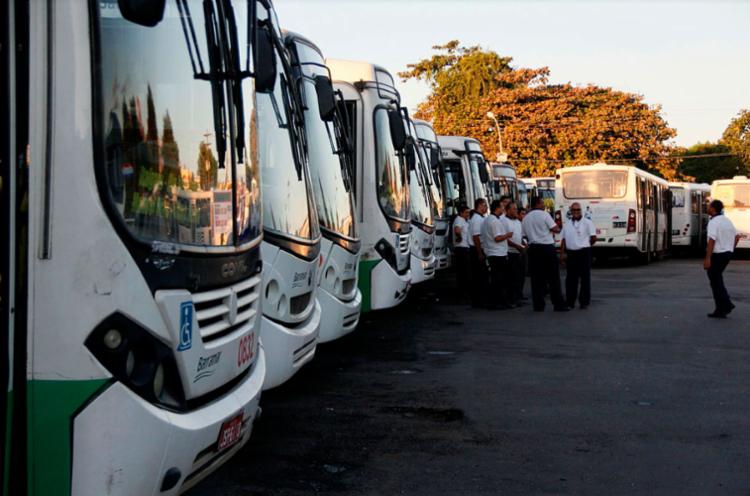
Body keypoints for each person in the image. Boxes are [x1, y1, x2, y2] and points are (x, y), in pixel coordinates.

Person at [522, 196, 568, 312]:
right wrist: (557, 228)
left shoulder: (526, 218)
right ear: (538, 204)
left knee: (536, 278)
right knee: (553, 277)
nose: (544, 205)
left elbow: (523, 235)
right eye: (542, 203)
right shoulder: (545, 215)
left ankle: (538, 305)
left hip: (533, 248)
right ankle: (558, 303)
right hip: (547, 247)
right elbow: (555, 229)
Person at [704, 199, 743, 318]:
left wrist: (708, 258)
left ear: (713, 208)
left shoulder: (713, 222)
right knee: (717, 280)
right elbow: (737, 237)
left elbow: (711, 240)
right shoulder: (727, 221)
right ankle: (722, 307)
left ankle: (725, 305)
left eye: (709, 206)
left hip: (717, 254)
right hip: (726, 254)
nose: (707, 208)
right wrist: (730, 249)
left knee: (715, 281)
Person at [560, 202, 597, 309]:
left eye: (578, 210)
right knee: (571, 278)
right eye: (574, 210)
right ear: (571, 211)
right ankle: (570, 301)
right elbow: (563, 239)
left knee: (585, 278)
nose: (576, 212)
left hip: (584, 252)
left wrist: (586, 245)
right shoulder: (567, 224)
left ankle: (584, 301)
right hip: (571, 253)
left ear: (581, 211)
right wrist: (562, 254)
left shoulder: (587, 223)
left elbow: (594, 238)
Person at [483, 199, 513, 309]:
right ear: (497, 208)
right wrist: (507, 235)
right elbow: (497, 237)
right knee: (499, 280)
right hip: (497, 254)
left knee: (496, 279)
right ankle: (498, 302)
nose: (503, 208)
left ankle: (495, 302)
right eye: (502, 207)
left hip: (493, 252)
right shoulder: (494, 221)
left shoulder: (488, 219)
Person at [504, 201, 527, 306]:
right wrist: (517, 247)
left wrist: (523, 245)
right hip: (509, 252)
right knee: (511, 278)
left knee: (519, 276)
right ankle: (510, 299)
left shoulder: (518, 222)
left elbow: (520, 236)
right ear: (508, 210)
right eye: (514, 209)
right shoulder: (504, 221)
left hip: (519, 252)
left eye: (516, 209)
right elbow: (505, 239)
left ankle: (517, 297)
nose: (516, 211)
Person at [468, 198, 489, 308]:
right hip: (476, 250)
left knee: (481, 276)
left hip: (479, 249)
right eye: (485, 205)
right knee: (478, 276)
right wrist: (480, 252)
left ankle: (480, 299)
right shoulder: (477, 219)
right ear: (480, 205)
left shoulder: (480, 218)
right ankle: (478, 301)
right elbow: (476, 236)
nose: (486, 208)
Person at [452, 205, 471, 295]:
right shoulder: (459, 219)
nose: (468, 214)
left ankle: (465, 291)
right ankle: (462, 293)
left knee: (465, 271)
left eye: (468, 212)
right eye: (466, 212)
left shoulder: (465, 220)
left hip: (465, 248)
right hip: (461, 249)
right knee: (463, 272)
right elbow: (457, 230)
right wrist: (459, 237)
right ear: (461, 213)